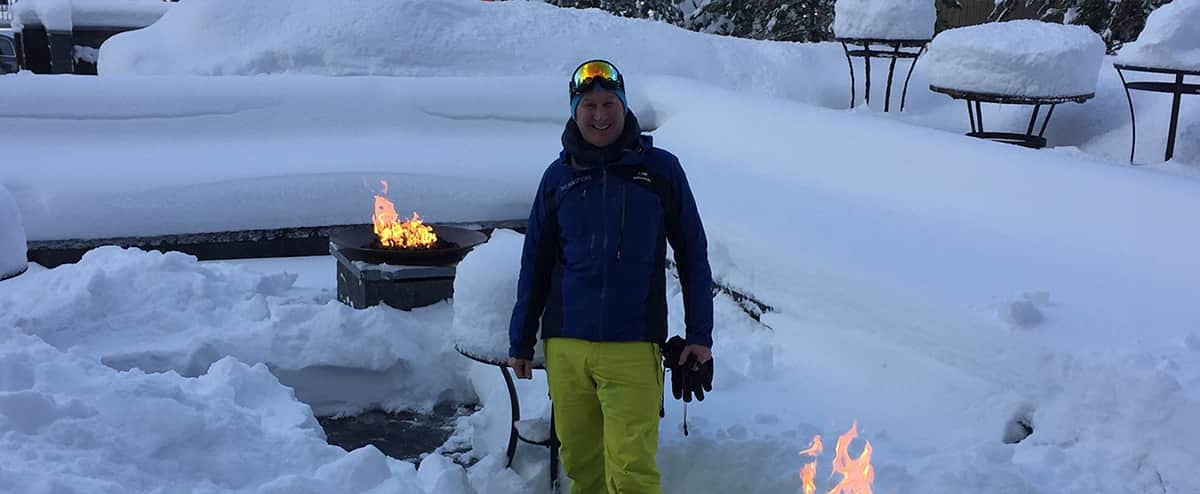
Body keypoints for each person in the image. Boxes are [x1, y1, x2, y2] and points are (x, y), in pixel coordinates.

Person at [507, 59, 715, 494]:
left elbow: (692, 254)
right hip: (567, 346)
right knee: (583, 469)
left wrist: (700, 333)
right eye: (589, 105)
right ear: (574, 111)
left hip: (633, 345)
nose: (600, 116)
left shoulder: (661, 171)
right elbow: (536, 260)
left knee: (631, 471)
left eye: (609, 104)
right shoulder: (558, 177)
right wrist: (521, 339)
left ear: (624, 106)